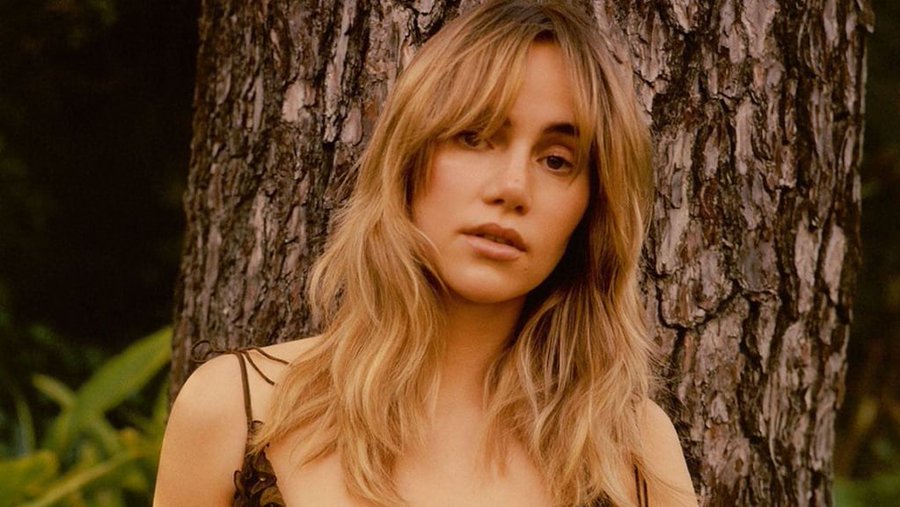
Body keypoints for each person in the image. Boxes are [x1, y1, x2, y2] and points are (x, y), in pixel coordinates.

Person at [154, 0, 697, 505]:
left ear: (591, 209)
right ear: (409, 159)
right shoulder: (236, 410)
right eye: (475, 136)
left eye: (557, 160)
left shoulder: (632, 450)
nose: (512, 187)